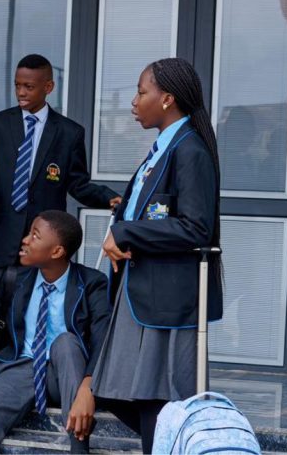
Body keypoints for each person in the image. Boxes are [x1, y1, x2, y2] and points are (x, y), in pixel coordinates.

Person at [94, 57, 223, 454]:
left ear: (167, 99)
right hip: (140, 292)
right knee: (115, 390)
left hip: (166, 299)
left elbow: (195, 228)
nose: (134, 101)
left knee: (157, 399)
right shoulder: (162, 149)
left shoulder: (190, 151)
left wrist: (125, 232)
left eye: (141, 91)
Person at [0, 210, 111, 454]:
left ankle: (79, 449)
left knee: (66, 343)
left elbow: (103, 339)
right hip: (22, 367)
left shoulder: (92, 283)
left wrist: (87, 391)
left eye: (35, 236)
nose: (25, 240)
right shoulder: (15, 279)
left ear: (57, 251)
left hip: (69, 374)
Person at [0, 54, 120, 283]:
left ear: (48, 87)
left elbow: (78, 183)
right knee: (1, 311)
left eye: (29, 87)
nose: (21, 93)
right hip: (4, 239)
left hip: (46, 242)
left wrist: (108, 198)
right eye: (18, 85)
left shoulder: (69, 133)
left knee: (37, 306)